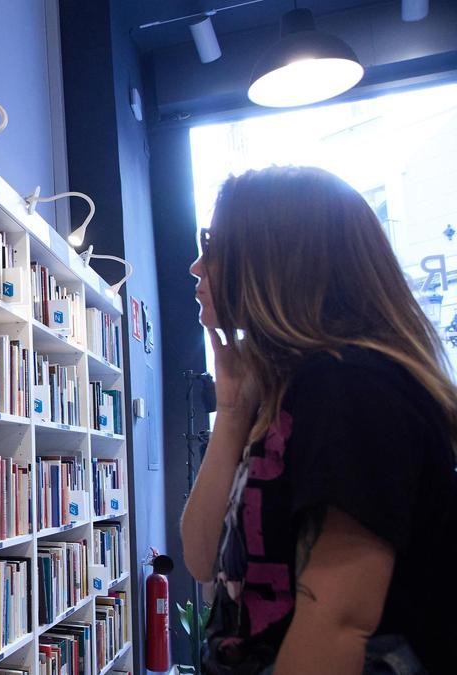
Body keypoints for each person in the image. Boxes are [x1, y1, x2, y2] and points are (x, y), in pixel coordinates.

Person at [181, 166, 457, 674]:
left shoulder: (354, 386)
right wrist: (234, 410)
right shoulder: (288, 388)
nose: (197, 267)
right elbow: (202, 558)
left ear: (274, 257)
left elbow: (338, 621)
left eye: (214, 245)